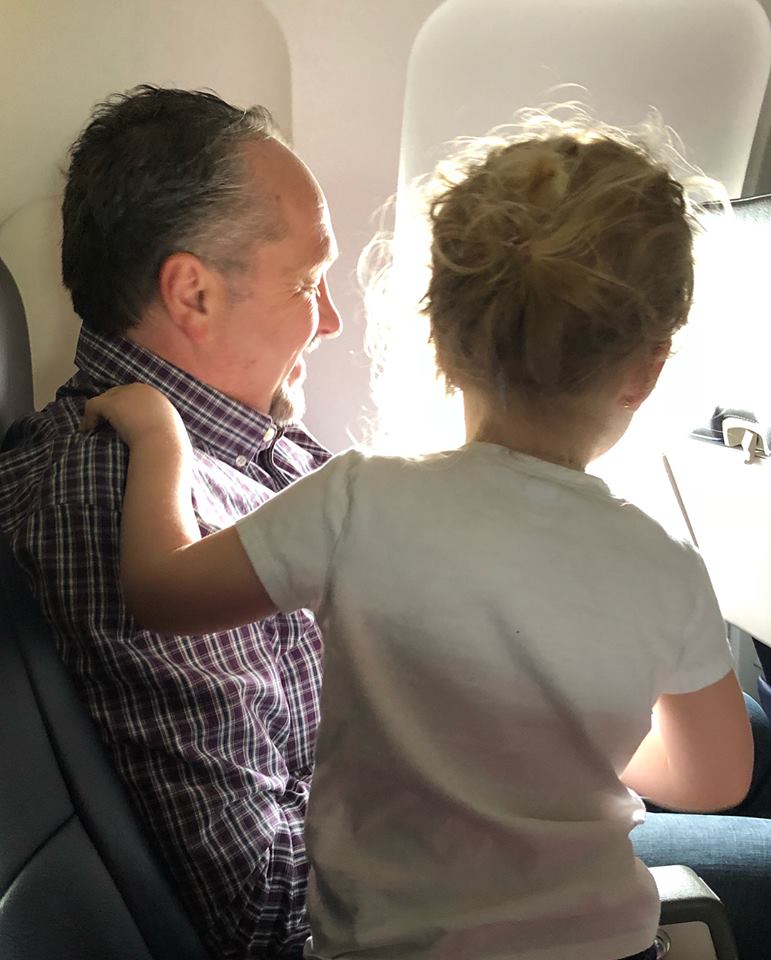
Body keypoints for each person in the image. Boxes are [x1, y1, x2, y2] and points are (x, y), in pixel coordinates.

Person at [80, 115, 754, 960]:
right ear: (646, 369)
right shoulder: (664, 566)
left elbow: (157, 592)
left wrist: (158, 436)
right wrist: (568, 732)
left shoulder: (355, 500)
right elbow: (714, 778)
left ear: (437, 335)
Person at [0, 85, 342, 959]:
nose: (333, 322)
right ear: (192, 294)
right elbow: (263, 905)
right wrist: (478, 789)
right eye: (308, 284)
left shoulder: (244, 442)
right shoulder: (121, 503)